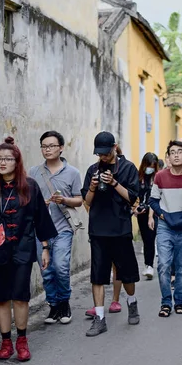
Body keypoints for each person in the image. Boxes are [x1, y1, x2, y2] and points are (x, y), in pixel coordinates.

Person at [0, 137, 57, 362]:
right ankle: (6, 342)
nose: (3, 162)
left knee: (20, 297)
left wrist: (45, 248)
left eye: (8, 158)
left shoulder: (30, 186)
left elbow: (41, 219)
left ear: (17, 162)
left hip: (23, 249)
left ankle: (22, 341)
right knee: (2, 298)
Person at [81, 131, 141, 336]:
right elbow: (87, 201)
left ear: (115, 147)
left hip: (120, 228)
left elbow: (132, 198)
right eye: (99, 154)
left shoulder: (128, 168)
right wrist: (92, 187)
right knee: (97, 276)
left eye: (106, 153)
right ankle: (99, 318)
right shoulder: (92, 170)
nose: (103, 158)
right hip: (98, 230)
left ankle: (131, 302)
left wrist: (114, 183)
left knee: (126, 274)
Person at [29, 131, 83, 325]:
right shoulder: (34, 173)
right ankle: (53, 305)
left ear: (61, 147)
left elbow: (79, 200)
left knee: (60, 267)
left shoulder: (73, 173)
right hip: (40, 231)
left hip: (62, 229)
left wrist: (64, 200)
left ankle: (64, 302)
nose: (48, 149)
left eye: (51, 146)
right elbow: (27, 200)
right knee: (46, 271)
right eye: (44, 146)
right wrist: (38, 204)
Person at [149, 140, 182, 317]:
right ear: (168, 157)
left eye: (180, 152)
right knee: (163, 265)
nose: (176, 155)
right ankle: (165, 303)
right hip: (165, 227)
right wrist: (163, 216)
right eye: (173, 152)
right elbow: (153, 201)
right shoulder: (160, 176)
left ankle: (179, 301)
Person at [135, 152, 159, 280]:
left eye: (153, 166)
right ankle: (148, 264)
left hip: (154, 212)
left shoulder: (157, 178)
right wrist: (135, 208)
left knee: (152, 236)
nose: (150, 168)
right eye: (148, 165)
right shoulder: (138, 178)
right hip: (142, 213)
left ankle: (150, 265)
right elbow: (134, 195)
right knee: (146, 238)